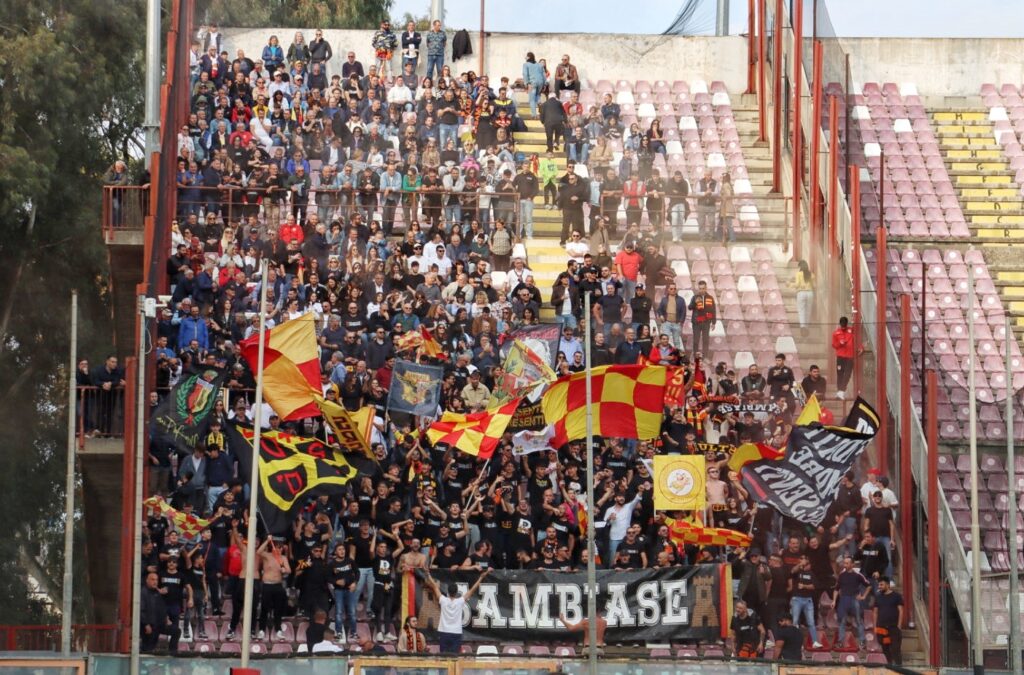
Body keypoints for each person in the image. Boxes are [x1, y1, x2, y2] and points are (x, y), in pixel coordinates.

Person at [423, 568, 491, 653]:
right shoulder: (460, 601)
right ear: (456, 593)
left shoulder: (443, 600)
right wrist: (481, 577)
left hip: (444, 632)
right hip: (456, 633)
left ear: (448, 592)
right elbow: (472, 590)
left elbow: (434, 586)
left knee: (444, 657)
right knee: (455, 657)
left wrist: (428, 574)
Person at [141, 571, 181, 653]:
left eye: (156, 580)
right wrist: (146, 624)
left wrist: (166, 617)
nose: (155, 582)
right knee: (148, 648)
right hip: (150, 625)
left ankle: (172, 652)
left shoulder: (157, 592)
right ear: (147, 580)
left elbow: (161, 607)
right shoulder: (143, 592)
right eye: (152, 579)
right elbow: (141, 610)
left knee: (176, 631)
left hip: (160, 624)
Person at [873, 577, 904, 665]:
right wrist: (875, 627)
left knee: (895, 649)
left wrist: (899, 626)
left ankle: (899, 668)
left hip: (893, 628)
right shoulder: (878, 597)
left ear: (888, 585)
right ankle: (890, 666)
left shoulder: (896, 596)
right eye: (879, 585)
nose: (879, 586)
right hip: (881, 628)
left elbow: (901, 610)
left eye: (881, 584)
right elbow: (875, 612)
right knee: (885, 649)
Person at [688, 279, 717, 358]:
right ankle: (695, 357)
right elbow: (690, 307)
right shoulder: (695, 297)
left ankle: (705, 357)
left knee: (706, 341)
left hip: (706, 322)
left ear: (706, 288)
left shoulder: (710, 298)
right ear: (698, 288)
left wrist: (713, 322)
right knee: (696, 341)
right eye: (700, 288)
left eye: (703, 288)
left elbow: (713, 310)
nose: (702, 290)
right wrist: (695, 303)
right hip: (696, 322)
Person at [832, 316, 855, 399]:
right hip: (840, 356)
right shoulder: (835, 333)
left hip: (850, 356)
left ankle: (842, 391)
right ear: (840, 324)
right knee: (840, 374)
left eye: (844, 325)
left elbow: (859, 339)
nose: (843, 327)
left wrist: (861, 347)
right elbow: (834, 345)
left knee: (847, 373)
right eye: (842, 326)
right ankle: (839, 391)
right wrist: (840, 343)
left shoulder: (852, 330)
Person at [793, 259, 814, 332]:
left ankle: (803, 327)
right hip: (810, 293)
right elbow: (814, 285)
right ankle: (807, 327)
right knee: (808, 310)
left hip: (801, 293)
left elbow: (797, 284)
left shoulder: (798, 274)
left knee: (801, 310)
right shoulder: (811, 274)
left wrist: (789, 284)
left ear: (800, 267)